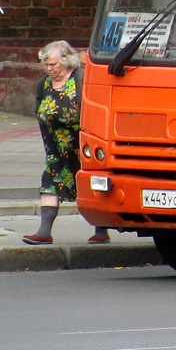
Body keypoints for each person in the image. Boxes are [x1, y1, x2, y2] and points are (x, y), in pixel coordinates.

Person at [23, 41, 110, 246]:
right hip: (56, 147)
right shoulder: (44, 83)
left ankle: (101, 230)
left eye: (53, 64)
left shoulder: (79, 80)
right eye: (46, 64)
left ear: (67, 61)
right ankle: (44, 232)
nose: (49, 68)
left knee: (90, 184)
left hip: (81, 146)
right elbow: (40, 106)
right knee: (49, 183)